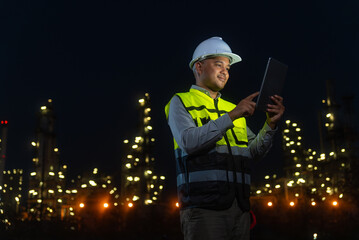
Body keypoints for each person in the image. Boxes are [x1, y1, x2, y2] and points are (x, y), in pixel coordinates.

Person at [164, 36, 285, 240]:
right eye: (219, 65)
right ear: (199, 67)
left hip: (240, 208)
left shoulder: (232, 109)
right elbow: (189, 142)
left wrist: (270, 124)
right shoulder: (180, 101)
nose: (225, 72)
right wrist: (232, 116)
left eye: (228, 68)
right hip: (203, 209)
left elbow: (253, 153)